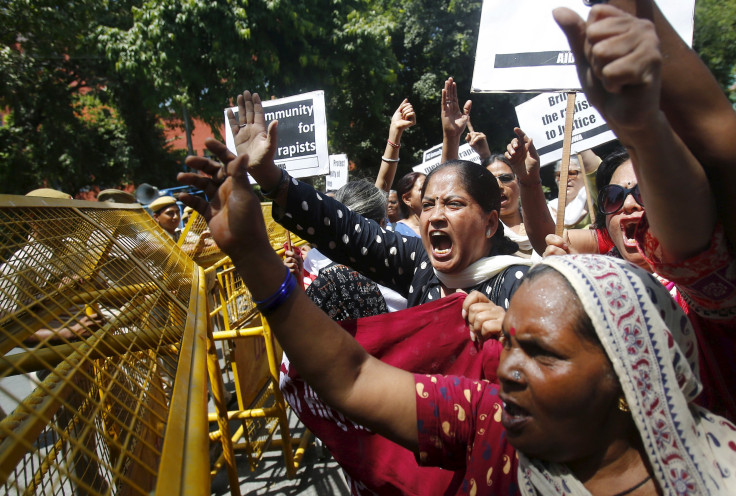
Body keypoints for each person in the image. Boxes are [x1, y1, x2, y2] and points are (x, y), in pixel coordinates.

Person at [177, 141, 736, 494]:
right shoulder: (423, 278)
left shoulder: (531, 288)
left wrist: (504, 324)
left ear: (492, 221)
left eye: (539, 348)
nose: (434, 218)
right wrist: (273, 190)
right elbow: (347, 240)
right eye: (426, 208)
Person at [535, 5, 736, 422]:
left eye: (643, 191)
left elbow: (722, 153)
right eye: (612, 196)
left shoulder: (708, 297)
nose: (628, 204)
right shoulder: (597, 290)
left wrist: (646, 132)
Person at [393, 171, 424, 237]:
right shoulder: (394, 232)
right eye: (423, 189)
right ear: (407, 199)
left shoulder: (443, 227)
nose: (430, 193)